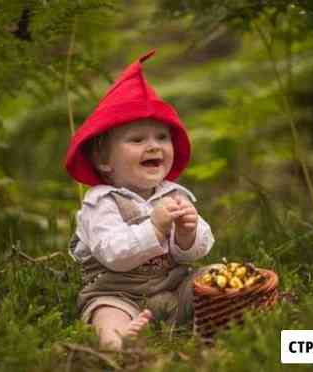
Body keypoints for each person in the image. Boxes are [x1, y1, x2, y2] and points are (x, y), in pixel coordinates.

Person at [64, 50, 215, 350]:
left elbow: (198, 248)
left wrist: (188, 234)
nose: (153, 146)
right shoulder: (100, 203)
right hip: (120, 294)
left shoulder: (175, 194)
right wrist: (155, 228)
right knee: (105, 313)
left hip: (173, 288)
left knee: (212, 277)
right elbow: (113, 254)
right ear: (104, 160)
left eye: (161, 137)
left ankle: (220, 319)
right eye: (137, 140)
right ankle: (118, 341)